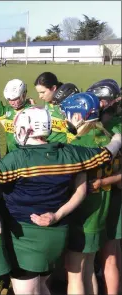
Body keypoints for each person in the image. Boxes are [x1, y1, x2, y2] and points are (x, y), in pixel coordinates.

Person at [0, 106, 121, 295]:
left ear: (25, 129)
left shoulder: (18, 159)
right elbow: (105, 155)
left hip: (24, 234)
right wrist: (118, 140)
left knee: (27, 289)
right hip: (56, 234)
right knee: (42, 284)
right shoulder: (68, 153)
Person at [59, 92, 114, 295]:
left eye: (68, 114)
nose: (65, 118)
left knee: (74, 272)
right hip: (100, 210)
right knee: (88, 268)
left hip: (84, 215)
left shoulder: (80, 144)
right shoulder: (105, 134)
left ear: (78, 115)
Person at [86, 80, 122, 295]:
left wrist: (102, 182)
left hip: (103, 199)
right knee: (111, 253)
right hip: (110, 198)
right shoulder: (110, 126)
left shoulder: (105, 131)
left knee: (102, 256)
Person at [34, 72, 69, 143]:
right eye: (38, 93)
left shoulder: (67, 106)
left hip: (64, 150)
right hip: (48, 149)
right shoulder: (48, 102)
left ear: (53, 88)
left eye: (43, 92)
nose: (40, 96)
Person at [0, 79, 32, 153]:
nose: (12, 103)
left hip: (24, 154)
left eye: (15, 99)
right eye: (9, 100)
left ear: (23, 94)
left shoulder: (31, 111)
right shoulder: (7, 110)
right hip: (9, 153)